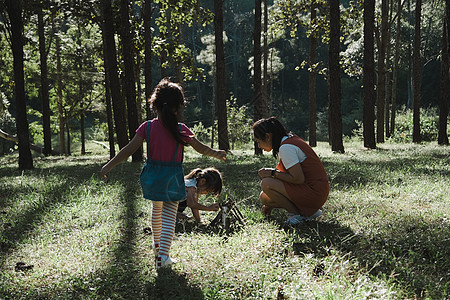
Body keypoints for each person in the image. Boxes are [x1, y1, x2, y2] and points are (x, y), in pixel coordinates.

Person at [101, 78, 226, 269]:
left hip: (151, 177)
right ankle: (163, 257)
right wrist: (217, 154)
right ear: (178, 107)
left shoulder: (148, 127)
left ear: (155, 104)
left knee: (156, 210)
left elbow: (128, 150)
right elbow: (201, 149)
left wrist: (108, 166)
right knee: (169, 215)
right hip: (171, 178)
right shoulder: (181, 129)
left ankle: (156, 245)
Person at [252, 117, 329, 225]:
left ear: (268, 136)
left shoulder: (286, 147)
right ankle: (305, 212)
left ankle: (296, 215)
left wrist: (272, 173)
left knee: (266, 183)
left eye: (259, 142)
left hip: (314, 193)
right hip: (317, 191)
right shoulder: (289, 140)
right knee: (265, 198)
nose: (259, 146)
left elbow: (298, 179)